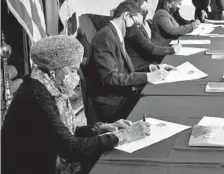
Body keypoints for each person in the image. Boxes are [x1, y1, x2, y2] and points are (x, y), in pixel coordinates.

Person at [1, 35, 151, 174]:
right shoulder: (36, 95)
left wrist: (99, 129)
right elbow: (70, 147)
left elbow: (62, 132)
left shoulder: (48, 85)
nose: (76, 76)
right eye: (73, 70)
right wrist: (124, 135)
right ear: (55, 69)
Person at [84, 1, 175, 123]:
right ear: (126, 16)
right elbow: (110, 77)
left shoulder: (114, 33)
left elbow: (126, 71)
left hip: (121, 95)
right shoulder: (106, 37)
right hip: (112, 104)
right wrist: (148, 76)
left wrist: (153, 68)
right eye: (136, 23)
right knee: (160, 108)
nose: (137, 28)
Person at [125, 0, 181, 68]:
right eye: (144, 8)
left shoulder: (139, 25)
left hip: (148, 60)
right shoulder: (132, 27)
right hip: (142, 66)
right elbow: (150, 49)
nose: (146, 11)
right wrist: (171, 50)